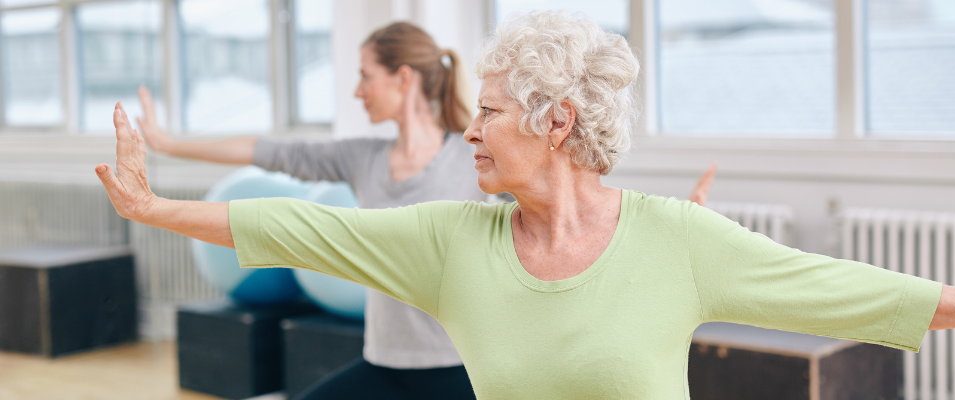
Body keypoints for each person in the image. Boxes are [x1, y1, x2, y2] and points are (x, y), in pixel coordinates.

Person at [95, 11, 955, 400]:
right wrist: (156, 207)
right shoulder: (452, 242)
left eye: (488, 113)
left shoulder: (675, 241)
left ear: (556, 120)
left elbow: (851, 290)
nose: (471, 132)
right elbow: (305, 226)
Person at [133, 20, 715, 399]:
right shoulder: (362, 158)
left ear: (403, 78)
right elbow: (269, 152)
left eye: (365, 76)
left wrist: (664, 234)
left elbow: (565, 206)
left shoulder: (479, 158)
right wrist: (166, 144)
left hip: (461, 369)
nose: (357, 90)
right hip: (383, 359)